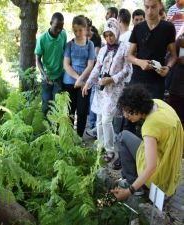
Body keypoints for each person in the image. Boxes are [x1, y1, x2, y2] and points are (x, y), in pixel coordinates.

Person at [111, 85, 183, 200]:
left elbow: (151, 167)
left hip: (159, 172)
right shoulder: (158, 103)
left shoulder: (150, 127)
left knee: (122, 136)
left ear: (137, 108)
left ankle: (134, 184)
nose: (126, 116)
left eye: (128, 112)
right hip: (172, 165)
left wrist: (128, 192)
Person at [82, 18, 131, 161]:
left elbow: (127, 70)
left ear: (116, 33)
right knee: (98, 120)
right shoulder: (102, 50)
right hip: (101, 89)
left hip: (114, 89)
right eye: (107, 35)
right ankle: (100, 147)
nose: (109, 38)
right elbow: (96, 69)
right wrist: (87, 84)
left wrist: (113, 78)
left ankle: (110, 150)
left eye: (112, 35)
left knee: (106, 120)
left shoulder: (124, 48)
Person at [128, 0, 177, 100]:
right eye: (147, 7)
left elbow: (173, 55)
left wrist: (168, 67)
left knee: (153, 114)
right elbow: (129, 55)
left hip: (157, 81)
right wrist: (140, 62)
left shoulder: (168, 28)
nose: (150, 11)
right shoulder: (138, 28)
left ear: (160, 6)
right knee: (133, 113)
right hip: (137, 79)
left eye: (153, 7)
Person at [63, 15, 95, 137]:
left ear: (85, 29)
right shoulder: (69, 44)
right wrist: (78, 79)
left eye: (80, 30)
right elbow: (66, 65)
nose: (77, 33)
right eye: (75, 30)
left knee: (81, 111)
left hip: (85, 84)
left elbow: (90, 65)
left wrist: (82, 80)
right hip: (69, 82)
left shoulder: (90, 44)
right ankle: (69, 138)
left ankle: (79, 137)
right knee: (70, 111)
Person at [35, 12, 67, 116]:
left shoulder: (63, 34)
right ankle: (44, 130)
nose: (59, 30)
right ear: (51, 23)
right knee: (45, 105)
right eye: (56, 27)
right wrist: (44, 74)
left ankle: (54, 130)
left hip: (59, 76)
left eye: (61, 27)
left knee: (56, 106)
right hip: (46, 78)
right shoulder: (42, 39)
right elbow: (38, 60)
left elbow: (64, 53)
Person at [169, 34, 184, 127]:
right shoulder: (181, 39)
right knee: (174, 119)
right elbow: (169, 57)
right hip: (177, 89)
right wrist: (178, 60)